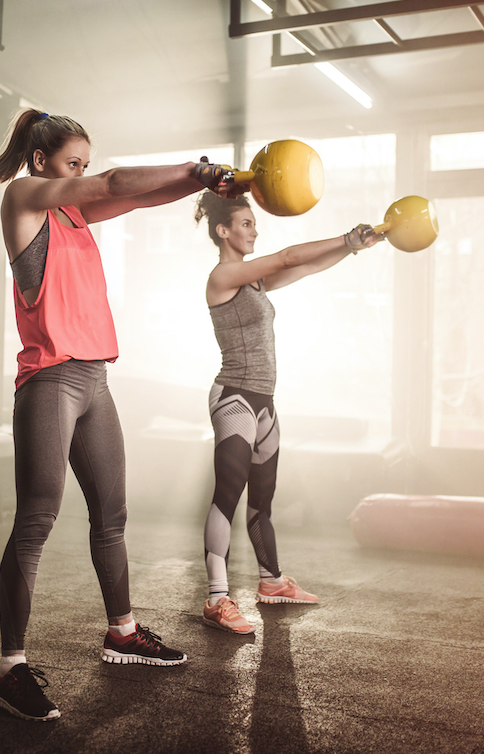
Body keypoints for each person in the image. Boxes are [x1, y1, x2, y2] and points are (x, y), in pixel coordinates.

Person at [0, 109, 241, 721]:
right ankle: (10, 667)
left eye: (84, 165)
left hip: (95, 382)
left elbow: (137, 199)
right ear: (41, 162)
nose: (82, 175)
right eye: (72, 164)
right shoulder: (25, 200)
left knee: (111, 515)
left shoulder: (72, 214)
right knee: (36, 519)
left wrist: (206, 182)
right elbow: (116, 184)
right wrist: (197, 165)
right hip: (50, 382)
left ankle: (122, 631)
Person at [194, 190, 383, 634]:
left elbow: (307, 264)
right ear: (223, 230)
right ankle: (217, 599)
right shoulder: (224, 276)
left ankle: (271, 582)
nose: (254, 230)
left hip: (264, 400)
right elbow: (288, 255)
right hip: (235, 398)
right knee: (228, 495)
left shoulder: (254, 281)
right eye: (245, 224)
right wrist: (345, 236)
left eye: (253, 224)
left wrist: (351, 247)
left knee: (263, 498)